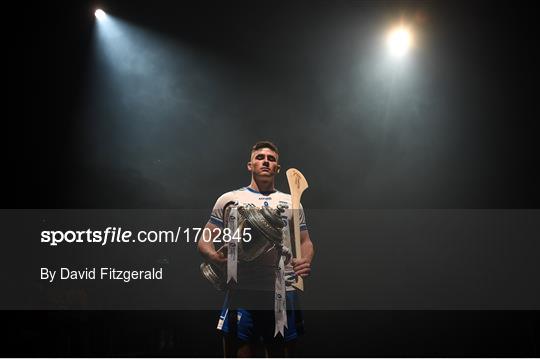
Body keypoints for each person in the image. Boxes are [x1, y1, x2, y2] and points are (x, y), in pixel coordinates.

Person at [197, 140, 314, 357]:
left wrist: (305, 260)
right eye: (260, 158)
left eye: (271, 159)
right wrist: (214, 257)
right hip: (243, 290)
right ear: (250, 165)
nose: (266, 162)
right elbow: (204, 238)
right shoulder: (229, 199)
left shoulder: (291, 201)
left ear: (277, 168)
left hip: (282, 290)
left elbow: (306, 241)